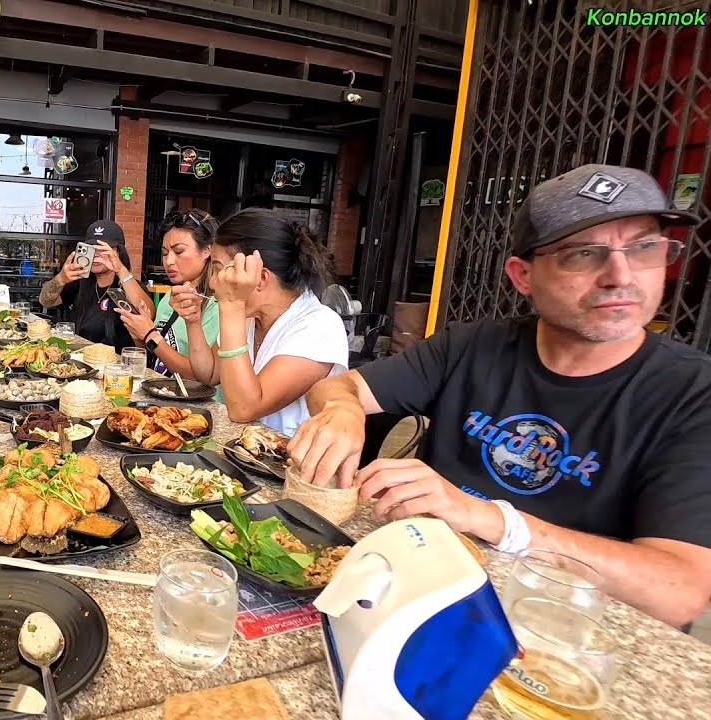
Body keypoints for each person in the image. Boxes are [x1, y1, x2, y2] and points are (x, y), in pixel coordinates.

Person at [289, 164, 711, 628]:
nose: (619, 275)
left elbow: (680, 590)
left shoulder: (692, 394)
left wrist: (493, 520)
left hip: (570, 632)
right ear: (523, 275)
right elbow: (337, 386)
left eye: (644, 247)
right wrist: (345, 409)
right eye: (583, 254)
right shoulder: (473, 345)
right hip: (427, 594)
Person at [180, 208, 348, 434]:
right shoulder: (252, 318)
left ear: (260, 278)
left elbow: (245, 408)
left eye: (219, 270)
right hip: (245, 454)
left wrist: (231, 307)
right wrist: (193, 321)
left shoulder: (320, 326)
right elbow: (209, 374)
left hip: (287, 464)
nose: (212, 283)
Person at [116, 210, 222, 395]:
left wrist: (150, 334)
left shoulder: (216, 304)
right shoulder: (169, 297)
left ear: (207, 250)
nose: (169, 261)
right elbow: (159, 353)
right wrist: (138, 331)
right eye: (165, 253)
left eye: (179, 251)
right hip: (162, 395)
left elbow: (202, 377)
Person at [38, 219, 155, 351]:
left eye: (103, 250)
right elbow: (45, 301)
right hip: (81, 361)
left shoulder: (130, 286)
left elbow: (148, 315)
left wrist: (121, 270)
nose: (96, 256)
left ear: (118, 253)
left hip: (116, 365)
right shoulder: (81, 282)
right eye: (92, 249)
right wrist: (61, 278)